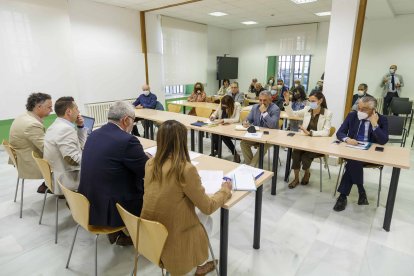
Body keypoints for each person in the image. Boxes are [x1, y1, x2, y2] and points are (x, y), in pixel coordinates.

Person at [141, 120, 232, 276]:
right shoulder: (185, 169)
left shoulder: (150, 163)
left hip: (150, 232)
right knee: (207, 219)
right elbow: (208, 207)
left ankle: (198, 262)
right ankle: (200, 265)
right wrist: (224, 191)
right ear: (182, 142)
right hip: (174, 233)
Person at [78, 101, 149, 245]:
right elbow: (146, 172)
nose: (133, 124)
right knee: (153, 190)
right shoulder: (128, 141)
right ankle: (142, 236)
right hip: (112, 209)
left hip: (88, 202)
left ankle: (120, 233)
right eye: (134, 120)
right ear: (126, 120)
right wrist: (150, 161)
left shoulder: (94, 134)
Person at [334, 96, 388, 212]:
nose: (360, 111)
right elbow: (340, 132)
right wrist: (347, 139)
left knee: (352, 163)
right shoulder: (352, 116)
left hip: (370, 154)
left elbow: (383, 140)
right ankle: (361, 191)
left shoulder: (382, 119)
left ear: (373, 110)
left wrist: (374, 124)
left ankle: (343, 196)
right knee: (354, 160)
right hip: (352, 149)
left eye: (364, 109)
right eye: (359, 108)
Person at [283, 92, 332, 188]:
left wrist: (310, 133)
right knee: (296, 154)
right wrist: (287, 102)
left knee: (305, 157)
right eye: (309, 101)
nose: (310, 103)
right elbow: (292, 114)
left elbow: (326, 132)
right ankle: (296, 178)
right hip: (304, 141)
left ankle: (307, 173)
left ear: (320, 100)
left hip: (317, 144)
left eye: (313, 101)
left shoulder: (327, 113)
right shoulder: (307, 109)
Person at [9, 92, 53, 194]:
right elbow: (46, 149)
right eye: (49, 107)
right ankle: (60, 189)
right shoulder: (31, 124)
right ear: (39, 107)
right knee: (65, 158)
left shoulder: (23, 116)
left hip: (22, 157)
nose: (51, 110)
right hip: (29, 162)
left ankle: (50, 184)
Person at [44, 97, 87, 194]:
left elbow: (80, 146)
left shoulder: (55, 125)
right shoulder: (65, 129)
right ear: (69, 111)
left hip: (57, 174)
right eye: (76, 108)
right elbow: (73, 160)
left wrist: (80, 127)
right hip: (67, 178)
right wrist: (94, 158)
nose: (79, 111)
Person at [240, 91, 280, 167]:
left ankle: (251, 166)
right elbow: (248, 119)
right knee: (243, 143)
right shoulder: (255, 107)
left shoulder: (275, 109)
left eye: (264, 100)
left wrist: (264, 112)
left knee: (263, 146)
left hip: (270, 137)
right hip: (257, 135)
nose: (262, 102)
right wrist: (245, 122)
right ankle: (250, 165)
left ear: (270, 100)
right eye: (260, 100)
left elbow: (272, 125)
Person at [209, 95, 241, 162]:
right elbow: (216, 112)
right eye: (223, 106)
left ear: (230, 104)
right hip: (222, 125)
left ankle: (235, 153)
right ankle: (217, 150)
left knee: (223, 135)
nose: (224, 107)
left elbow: (236, 119)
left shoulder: (237, 105)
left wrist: (225, 120)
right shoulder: (222, 103)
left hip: (232, 126)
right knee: (214, 132)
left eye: (226, 106)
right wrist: (213, 116)